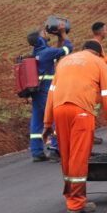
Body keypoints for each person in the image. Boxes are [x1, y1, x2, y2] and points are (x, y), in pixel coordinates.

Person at [42, 40, 107, 213]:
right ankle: (76, 203)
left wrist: (47, 123)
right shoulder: (100, 63)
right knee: (79, 156)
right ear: (99, 53)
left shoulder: (64, 61)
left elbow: (51, 93)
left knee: (67, 155)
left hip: (59, 109)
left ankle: (71, 197)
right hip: (81, 112)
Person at [26, 21, 72, 162]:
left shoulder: (36, 53)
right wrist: (63, 33)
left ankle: (37, 152)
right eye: (43, 33)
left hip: (36, 93)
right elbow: (67, 50)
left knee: (37, 121)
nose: (45, 33)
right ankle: (56, 149)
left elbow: (56, 55)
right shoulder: (46, 53)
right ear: (40, 39)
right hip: (46, 92)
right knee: (54, 119)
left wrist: (59, 39)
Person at [87, 21, 107, 144]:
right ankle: (90, 135)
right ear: (100, 31)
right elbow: (101, 64)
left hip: (93, 85)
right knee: (92, 111)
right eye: (105, 29)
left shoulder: (95, 44)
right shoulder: (96, 45)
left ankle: (90, 134)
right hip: (95, 86)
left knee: (93, 111)